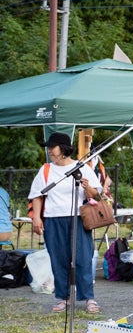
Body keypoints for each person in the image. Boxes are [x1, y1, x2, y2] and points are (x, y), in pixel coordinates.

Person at [27, 132, 102, 313]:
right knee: (58, 259)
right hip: (53, 219)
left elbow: (97, 195)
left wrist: (87, 186)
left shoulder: (82, 167)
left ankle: (89, 298)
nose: (49, 151)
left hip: (78, 218)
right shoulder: (45, 170)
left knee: (83, 258)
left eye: (52, 147)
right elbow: (37, 195)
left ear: (63, 148)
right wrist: (36, 218)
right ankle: (64, 298)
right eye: (48, 147)